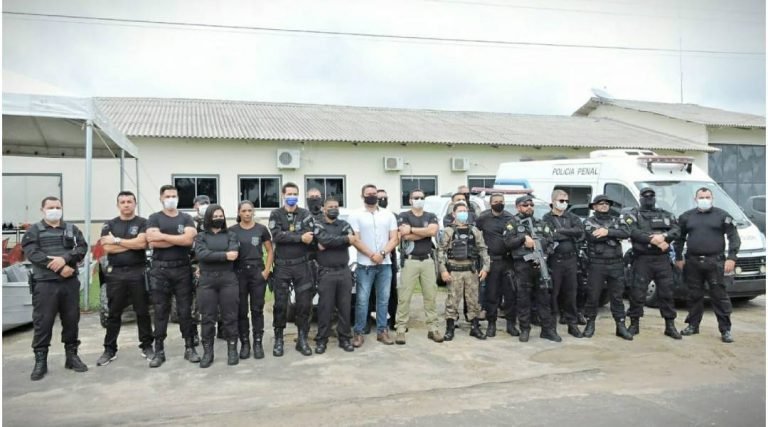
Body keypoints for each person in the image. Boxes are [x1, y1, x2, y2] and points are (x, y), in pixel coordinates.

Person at [22, 196, 89, 380]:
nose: (55, 210)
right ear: (42, 209)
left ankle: (72, 356)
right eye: (50, 207)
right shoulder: (34, 231)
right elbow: (33, 254)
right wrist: (61, 266)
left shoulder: (71, 229)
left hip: (69, 284)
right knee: (43, 322)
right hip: (45, 284)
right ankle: (40, 361)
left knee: (71, 320)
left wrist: (66, 259)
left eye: (58, 207)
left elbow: (82, 248)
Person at [96, 191, 154, 366]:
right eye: (123, 202)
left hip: (138, 272)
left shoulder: (143, 222)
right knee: (114, 313)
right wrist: (130, 244)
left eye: (130, 201)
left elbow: (142, 244)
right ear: (118, 205)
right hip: (116, 274)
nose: (126, 204)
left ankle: (147, 345)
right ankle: (109, 349)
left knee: (142, 311)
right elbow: (107, 248)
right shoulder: (109, 224)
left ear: (135, 203)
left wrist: (118, 241)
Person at [674, 188, 740, 343]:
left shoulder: (722, 216)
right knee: (694, 296)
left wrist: (731, 258)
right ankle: (692, 325)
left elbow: (734, 237)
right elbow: (679, 238)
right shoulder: (687, 217)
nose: (704, 199)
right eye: (701, 197)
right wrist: (678, 257)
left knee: (719, 297)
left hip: (715, 262)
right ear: (695, 198)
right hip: (693, 262)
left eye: (707, 197)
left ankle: (725, 330)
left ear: (712, 198)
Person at [146, 185, 199, 368]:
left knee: (185, 311)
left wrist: (163, 236)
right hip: (160, 270)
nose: (171, 199)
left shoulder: (186, 218)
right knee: (161, 311)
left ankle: (190, 347)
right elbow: (152, 241)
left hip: (182, 269)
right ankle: (159, 350)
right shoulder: (154, 218)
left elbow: (188, 240)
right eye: (167, 196)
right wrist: (177, 238)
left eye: (174, 196)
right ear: (161, 198)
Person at [625, 187, 682, 339]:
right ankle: (634, 324)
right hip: (642, 259)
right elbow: (632, 231)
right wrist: (652, 239)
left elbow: (676, 230)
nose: (649, 198)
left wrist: (664, 236)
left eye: (651, 195)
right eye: (645, 196)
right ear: (640, 197)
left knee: (667, 293)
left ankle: (670, 326)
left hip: (662, 259)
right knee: (637, 293)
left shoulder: (665, 214)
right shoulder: (633, 214)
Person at [503, 195, 561, 342]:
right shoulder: (512, 224)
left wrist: (544, 253)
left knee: (544, 299)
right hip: (523, 267)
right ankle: (525, 329)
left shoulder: (541, 223)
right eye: (525, 205)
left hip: (541, 265)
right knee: (523, 299)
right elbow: (508, 243)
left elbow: (551, 242)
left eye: (531, 205)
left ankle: (547, 330)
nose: (529, 207)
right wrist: (523, 240)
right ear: (518, 207)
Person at [268, 182, 315, 356]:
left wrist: (292, 236)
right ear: (283, 195)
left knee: (304, 304)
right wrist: (299, 237)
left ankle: (302, 339)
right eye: (289, 193)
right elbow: (277, 236)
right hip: (282, 267)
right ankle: (279, 339)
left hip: (302, 266)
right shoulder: (275, 214)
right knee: (280, 304)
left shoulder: (305, 214)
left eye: (295, 193)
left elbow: (309, 236)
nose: (292, 196)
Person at [349, 184, 399, 347]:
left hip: (385, 264)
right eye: (368, 193)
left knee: (383, 299)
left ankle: (382, 331)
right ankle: (359, 332)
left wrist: (382, 254)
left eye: (373, 193)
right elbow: (355, 239)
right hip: (365, 265)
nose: (371, 195)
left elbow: (394, 238)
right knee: (362, 300)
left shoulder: (388, 215)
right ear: (362, 196)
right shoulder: (356, 215)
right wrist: (372, 255)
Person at [194, 204, 241, 367]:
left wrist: (214, 256)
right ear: (208, 218)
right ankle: (208, 352)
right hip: (207, 281)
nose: (218, 219)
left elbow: (234, 254)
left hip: (228, 279)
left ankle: (232, 350)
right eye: (215, 216)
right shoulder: (200, 237)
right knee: (207, 318)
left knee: (230, 316)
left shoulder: (231, 235)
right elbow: (200, 254)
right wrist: (224, 255)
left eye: (221, 216)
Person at [581, 195, 633, 340]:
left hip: (616, 263)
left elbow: (626, 233)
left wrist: (607, 232)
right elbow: (592, 236)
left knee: (617, 296)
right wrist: (613, 235)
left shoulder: (617, 220)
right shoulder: (589, 221)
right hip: (597, 263)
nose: (604, 206)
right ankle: (590, 324)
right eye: (600, 203)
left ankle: (621, 326)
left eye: (606, 203)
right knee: (593, 295)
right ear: (594, 207)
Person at [395, 189, 441, 344]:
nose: (419, 199)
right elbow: (404, 235)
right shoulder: (404, 216)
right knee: (405, 297)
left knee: (430, 296)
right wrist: (425, 232)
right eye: (416, 197)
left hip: (427, 261)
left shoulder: (431, 215)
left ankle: (433, 328)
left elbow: (433, 231)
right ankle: (401, 329)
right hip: (410, 261)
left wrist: (413, 230)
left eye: (422, 197)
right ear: (410, 200)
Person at [439, 202, 491, 341]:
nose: (463, 213)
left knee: (473, 300)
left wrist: (486, 268)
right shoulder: (448, 231)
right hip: (454, 271)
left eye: (465, 211)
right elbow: (440, 252)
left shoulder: (474, 231)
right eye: (460, 211)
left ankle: (475, 327)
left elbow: (483, 249)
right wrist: (443, 270)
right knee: (452, 301)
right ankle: (450, 328)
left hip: (470, 271)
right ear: (454, 214)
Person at [313, 197, 357, 353]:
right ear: (324, 209)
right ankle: (321, 340)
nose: (334, 209)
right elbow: (323, 239)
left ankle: (344, 338)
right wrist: (344, 239)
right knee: (325, 308)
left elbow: (353, 239)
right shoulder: (318, 224)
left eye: (336, 206)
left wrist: (331, 242)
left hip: (344, 271)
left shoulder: (344, 224)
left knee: (345, 307)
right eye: (330, 206)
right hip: (326, 273)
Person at [230, 200, 273, 359]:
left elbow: (270, 251)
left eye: (250, 210)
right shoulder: (232, 231)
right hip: (239, 273)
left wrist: (266, 271)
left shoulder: (261, 229)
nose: (247, 214)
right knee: (241, 311)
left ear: (253, 212)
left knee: (257, 309)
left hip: (257, 273)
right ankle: (245, 344)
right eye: (244, 211)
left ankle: (257, 342)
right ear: (239, 213)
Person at [542, 190, 585, 338]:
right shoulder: (546, 218)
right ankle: (551, 328)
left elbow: (580, 231)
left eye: (566, 200)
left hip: (571, 260)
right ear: (553, 201)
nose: (564, 203)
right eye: (561, 200)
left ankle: (572, 325)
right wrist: (568, 233)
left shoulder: (572, 216)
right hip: (555, 260)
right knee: (553, 295)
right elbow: (549, 235)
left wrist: (561, 231)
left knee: (571, 293)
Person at [475, 193, 518, 337]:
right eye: (496, 201)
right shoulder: (483, 218)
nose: (499, 203)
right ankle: (491, 324)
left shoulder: (510, 218)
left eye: (501, 201)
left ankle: (511, 324)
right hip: (492, 261)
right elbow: (477, 236)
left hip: (508, 261)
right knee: (492, 295)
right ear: (490, 203)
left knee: (510, 294)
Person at [377, 188, 399, 330]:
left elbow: (398, 237)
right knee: (371, 292)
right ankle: (369, 320)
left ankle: (393, 320)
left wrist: (385, 252)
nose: (382, 200)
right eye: (380, 198)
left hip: (389, 258)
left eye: (385, 197)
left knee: (391, 291)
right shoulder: (368, 215)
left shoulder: (393, 216)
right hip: (371, 258)